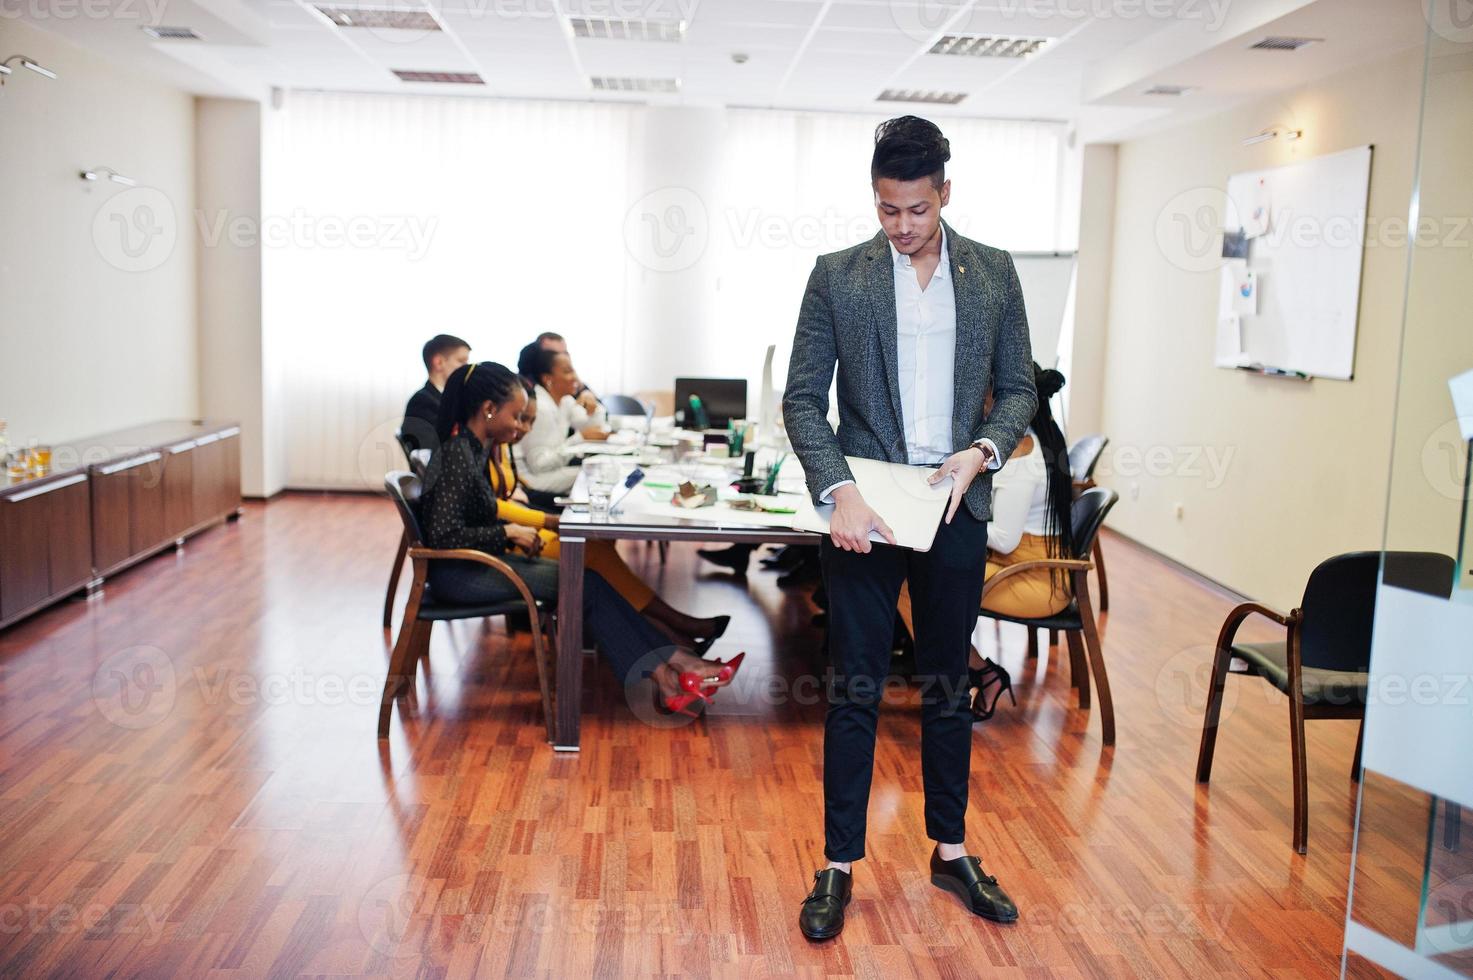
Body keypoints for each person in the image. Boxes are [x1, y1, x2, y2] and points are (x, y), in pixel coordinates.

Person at [783, 116, 1035, 939]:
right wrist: (839, 491)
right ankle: (837, 865)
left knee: (945, 689)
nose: (901, 227)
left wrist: (982, 452)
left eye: (917, 210)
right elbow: (801, 400)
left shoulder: (994, 275)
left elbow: (1020, 388)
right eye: (888, 210)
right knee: (854, 688)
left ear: (945, 194)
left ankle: (951, 851)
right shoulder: (837, 276)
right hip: (867, 508)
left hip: (955, 501)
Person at [419, 361, 734, 705]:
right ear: (489, 409)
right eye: (516, 414)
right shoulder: (456, 455)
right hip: (461, 574)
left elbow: (478, 514)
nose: (520, 424)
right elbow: (442, 535)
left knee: (589, 582)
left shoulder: (474, 450)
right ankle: (674, 666)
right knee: (585, 586)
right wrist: (506, 532)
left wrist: (509, 530)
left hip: (479, 564)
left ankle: (669, 671)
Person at [489, 377, 730, 651]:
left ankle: (673, 636)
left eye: (527, 420)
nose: (523, 428)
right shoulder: (483, 449)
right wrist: (546, 518)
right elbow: (496, 505)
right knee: (596, 557)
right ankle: (674, 633)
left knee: (599, 551)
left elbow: (507, 497)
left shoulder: (500, 445)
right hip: (512, 537)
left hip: (522, 522)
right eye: (519, 418)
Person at [896, 364, 1075, 720]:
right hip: (1020, 564)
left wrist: (953, 519)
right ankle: (963, 669)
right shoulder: (1027, 441)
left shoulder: (1023, 456)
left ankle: (981, 672)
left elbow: (1006, 540)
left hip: (1033, 577)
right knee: (926, 579)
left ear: (999, 399)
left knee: (915, 590)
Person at [513, 343, 608, 497]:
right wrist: (579, 439)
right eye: (568, 371)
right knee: (593, 476)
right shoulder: (541, 408)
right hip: (531, 481)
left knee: (596, 473)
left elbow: (598, 428)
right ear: (547, 379)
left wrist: (592, 404)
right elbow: (538, 465)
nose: (576, 377)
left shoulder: (565, 401)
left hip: (552, 471)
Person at [402, 334, 471, 454]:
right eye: (461, 361)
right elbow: (437, 448)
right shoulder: (421, 402)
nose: (468, 368)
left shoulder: (447, 399)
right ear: (438, 362)